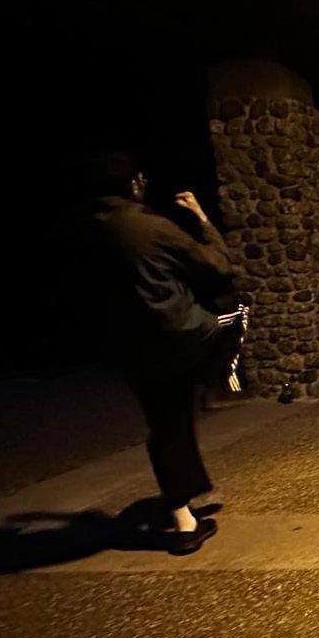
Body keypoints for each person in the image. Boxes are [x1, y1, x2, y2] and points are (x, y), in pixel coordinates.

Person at [83, 151, 240, 554]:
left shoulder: (90, 228)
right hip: (177, 340)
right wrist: (202, 218)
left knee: (167, 420)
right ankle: (184, 522)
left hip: (128, 346)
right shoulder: (148, 227)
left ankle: (186, 501)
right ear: (134, 183)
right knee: (234, 316)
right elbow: (217, 267)